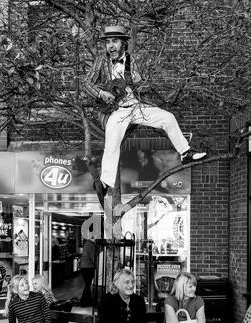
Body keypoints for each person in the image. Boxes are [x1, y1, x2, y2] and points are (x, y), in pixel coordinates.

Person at [82, 24, 207, 196]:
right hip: (117, 111)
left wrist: (140, 82)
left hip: (136, 106)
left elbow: (142, 87)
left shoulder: (131, 61)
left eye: (115, 41)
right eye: (108, 42)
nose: (111, 46)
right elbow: (85, 84)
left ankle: (185, 152)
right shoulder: (101, 61)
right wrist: (101, 93)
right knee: (111, 144)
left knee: (167, 118)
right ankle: (105, 183)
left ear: (123, 43)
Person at [80, 237, 96, 307]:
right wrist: (97, 266)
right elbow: (93, 257)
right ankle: (84, 302)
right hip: (88, 267)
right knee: (88, 285)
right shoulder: (90, 244)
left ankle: (88, 301)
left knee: (88, 284)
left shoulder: (88, 243)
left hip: (85, 267)